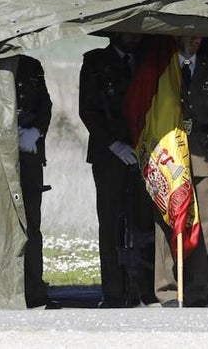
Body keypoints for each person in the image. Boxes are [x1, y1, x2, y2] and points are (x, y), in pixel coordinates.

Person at [154, 35, 208, 307]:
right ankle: (168, 290)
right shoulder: (162, 67)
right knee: (167, 223)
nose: (194, 41)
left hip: (200, 156)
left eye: (198, 37)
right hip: (169, 157)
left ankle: (197, 289)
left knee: (202, 225)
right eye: (189, 37)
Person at [78, 32, 145, 308]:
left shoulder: (145, 60)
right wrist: (114, 144)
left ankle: (142, 289)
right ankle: (114, 290)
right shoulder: (95, 62)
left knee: (142, 221)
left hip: (143, 150)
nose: (133, 37)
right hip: (109, 154)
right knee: (110, 222)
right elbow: (88, 110)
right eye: (128, 31)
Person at [15, 55, 55, 309]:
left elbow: (45, 105)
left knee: (32, 224)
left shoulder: (32, 65)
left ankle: (34, 290)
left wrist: (36, 132)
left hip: (28, 152)